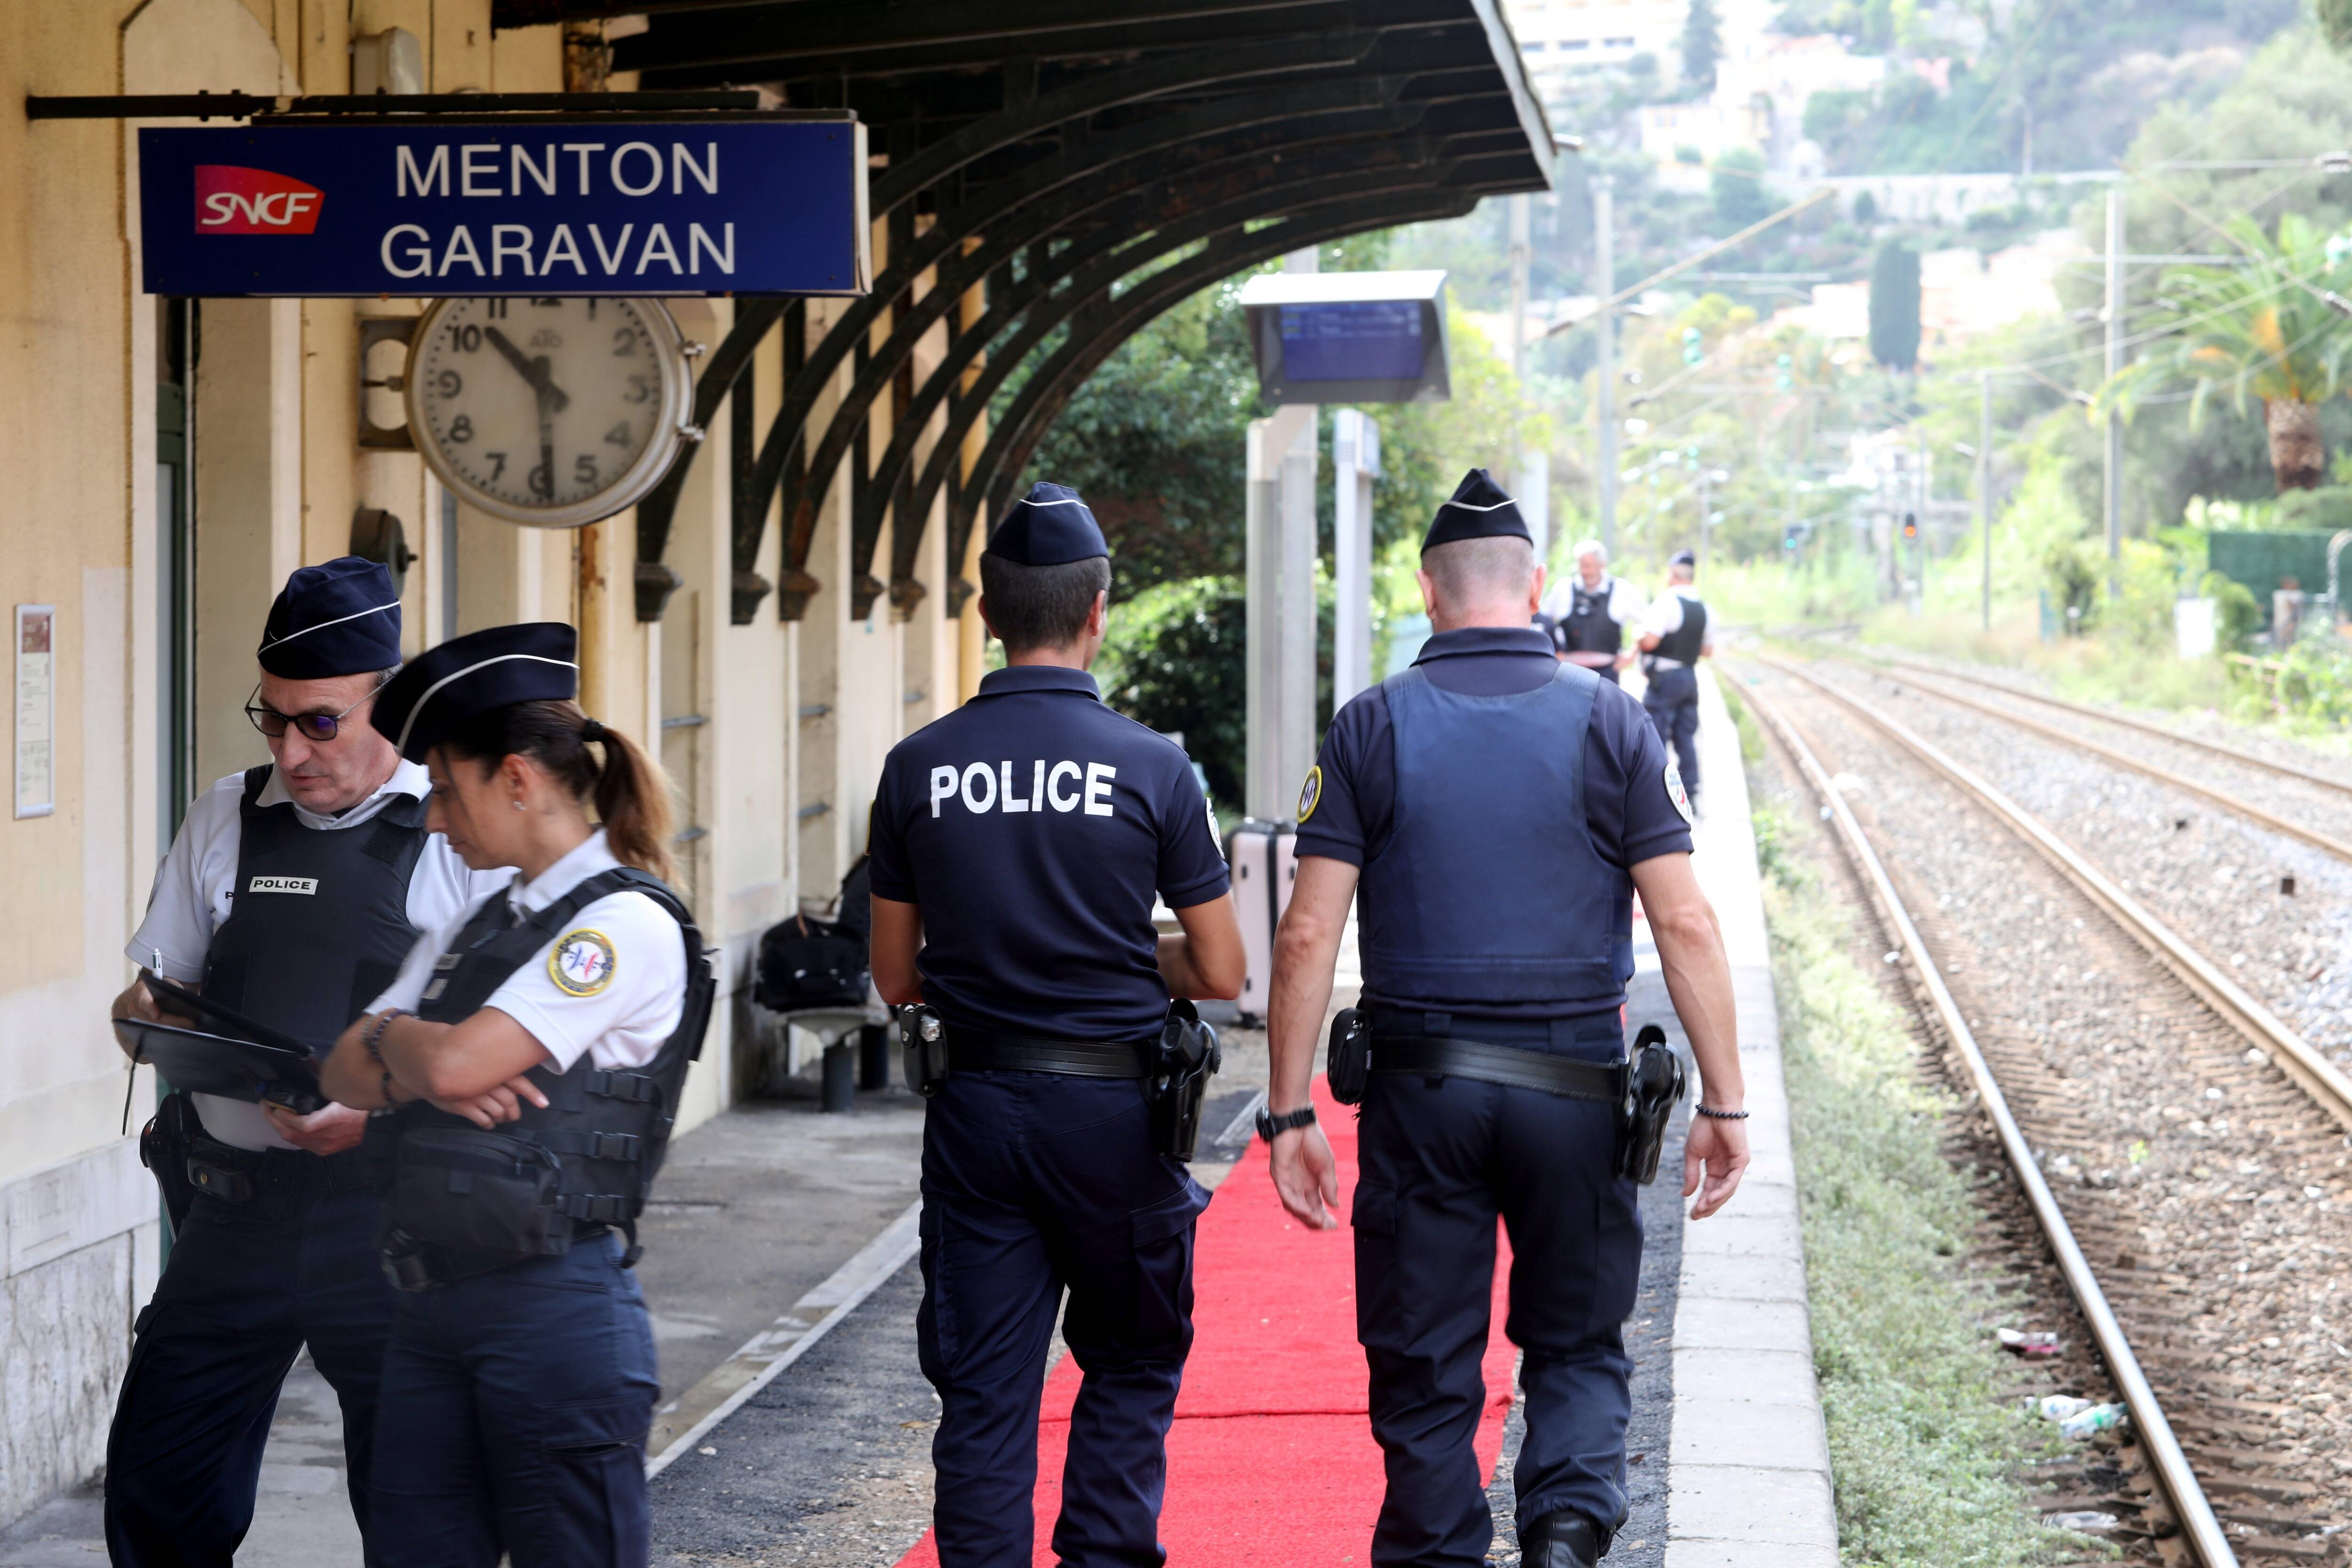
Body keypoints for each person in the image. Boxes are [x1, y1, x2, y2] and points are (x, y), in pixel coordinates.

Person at [1260, 470, 1750, 1568]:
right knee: (1576, 1343)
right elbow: (1686, 923)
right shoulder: (1615, 724)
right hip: (1575, 1090)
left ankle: (1439, 1551)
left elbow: (1304, 936)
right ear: (1532, 588)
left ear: (1430, 594)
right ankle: (1567, 1539)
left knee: (1426, 1354)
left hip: (1420, 1092)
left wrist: (1287, 1112)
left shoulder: (1369, 728)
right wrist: (1725, 1099)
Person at [866, 480, 1247, 1568]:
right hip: (1119, 1118)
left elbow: (898, 977)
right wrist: (1132, 953)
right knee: (1128, 1358)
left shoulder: (918, 767)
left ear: (985, 616)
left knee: (984, 1395)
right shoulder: (1153, 765)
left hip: (978, 1110)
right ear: (1098, 612)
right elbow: (1220, 967)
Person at [104, 557, 510, 1568]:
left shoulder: (454, 831)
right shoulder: (224, 815)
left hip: (390, 1222)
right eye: (273, 719)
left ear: (393, 704)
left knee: (420, 1508)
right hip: (232, 1212)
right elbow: (152, 992)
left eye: (319, 721)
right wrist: (153, 1025)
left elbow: (506, 1062)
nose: (291, 749)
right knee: (160, 1487)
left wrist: (378, 1118)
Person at [317, 621, 714, 1568]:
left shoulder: (622, 922)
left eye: (449, 791)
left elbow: (451, 1070)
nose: (437, 820)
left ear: (520, 780)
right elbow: (337, 1068)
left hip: (553, 1311)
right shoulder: (479, 921)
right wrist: (416, 1051)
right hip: (426, 1308)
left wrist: (410, 1058)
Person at [1637, 548, 1711, 816]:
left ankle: (1658, 796)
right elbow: (1707, 651)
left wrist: (1638, 637)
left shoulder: (1668, 601)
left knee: (1655, 736)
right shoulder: (1704, 607)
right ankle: (1690, 795)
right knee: (1686, 737)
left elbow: (1650, 641)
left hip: (1665, 679)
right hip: (1690, 677)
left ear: (1673, 574)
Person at [1538, 539, 1640, 682]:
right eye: (1581, 566)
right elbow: (1543, 621)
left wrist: (1632, 654)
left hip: (1607, 672)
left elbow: (1646, 623)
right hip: (1569, 671)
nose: (1584, 571)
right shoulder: (1563, 588)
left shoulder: (1621, 589)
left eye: (1588, 566)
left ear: (1602, 565)